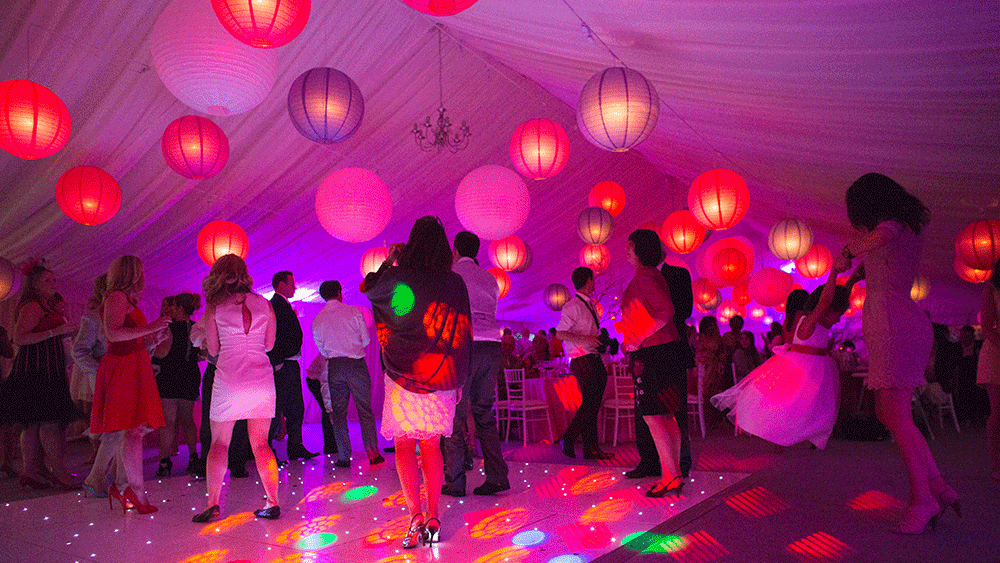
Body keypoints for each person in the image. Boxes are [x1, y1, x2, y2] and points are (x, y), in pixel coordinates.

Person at [833, 172, 953, 535]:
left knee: (893, 413)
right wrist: (855, 276)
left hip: (894, 323)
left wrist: (848, 252)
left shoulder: (890, 227)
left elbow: (881, 236)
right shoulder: (901, 229)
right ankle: (935, 486)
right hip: (898, 321)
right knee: (894, 413)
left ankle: (924, 499)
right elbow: (886, 262)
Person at [361, 216, 471, 548]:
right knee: (433, 447)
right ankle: (435, 519)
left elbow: (368, 287)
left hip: (403, 376)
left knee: (405, 446)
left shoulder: (396, 277)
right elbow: (462, 334)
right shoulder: (455, 283)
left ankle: (416, 519)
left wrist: (390, 262)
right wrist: (458, 377)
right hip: (441, 377)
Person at [712, 265, 848, 449]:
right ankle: (795, 436)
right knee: (793, 407)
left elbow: (828, 303)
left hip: (810, 367)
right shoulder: (807, 320)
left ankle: (806, 436)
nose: (838, 319)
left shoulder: (807, 321)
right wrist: (834, 272)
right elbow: (824, 302)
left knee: (807, 408)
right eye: (837, 314)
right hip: (804, 368)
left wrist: (854, 277)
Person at [193, 254, 281, 523]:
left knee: (219, 443)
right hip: (262, 380)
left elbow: (214, 349)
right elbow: (269, 345)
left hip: (229, 379)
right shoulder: (265, 304)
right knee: (261, 444)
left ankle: (212, 503)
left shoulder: (215, 307)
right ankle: (272, 501)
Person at [85, 256, 169, 512]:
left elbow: (129, 339)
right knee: (129, 429)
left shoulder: (124, 299)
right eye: (140, 270)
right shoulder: (115, 297)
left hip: (133, 364)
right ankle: (128, 488)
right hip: (122, 367)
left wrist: (153, 340)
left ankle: (126, 487)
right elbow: (113, 334)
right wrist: (151, 327)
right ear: (132, 272)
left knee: (134, 430)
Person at [615, 229, 686, 496]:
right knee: (665, 416)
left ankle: (670, 475)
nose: (626, 250)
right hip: (665, 351)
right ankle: (673, 473)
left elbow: (666, 311)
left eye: (629, 246)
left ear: (637, 248)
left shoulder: (644, 277)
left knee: (654, 416)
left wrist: (637, 338)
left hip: (654, 352)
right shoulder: (651, 275)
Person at [442, 230, 510, 497]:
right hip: (492, 345)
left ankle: (456, 482)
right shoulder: (490, 278)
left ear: (455, 250)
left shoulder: (452, 275)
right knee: (483, 413)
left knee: (456, 414)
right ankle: (497, 476)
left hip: (464, 344)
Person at [0, 262, 78, 490]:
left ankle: (30, 472)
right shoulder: (33, 306)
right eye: (47, 280)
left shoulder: (43, 305)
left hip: (44, 369)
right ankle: (58, 472)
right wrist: (56, 331)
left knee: (33, 424)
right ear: (34, 284)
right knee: (48, 423)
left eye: (53, 279)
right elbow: (19, 338)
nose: (52, 283)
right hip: (37, 371)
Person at [626, 251, 695, 480]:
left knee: (669, 412)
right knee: (650, 413)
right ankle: (654, 463)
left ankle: (677, 467)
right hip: (655, 348)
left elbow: (678, 311)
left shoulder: (672, 274)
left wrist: (642, 332)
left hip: (663, 350)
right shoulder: (643, 276)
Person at [312, 280, 382, 468]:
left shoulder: (318, 319)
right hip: (355, 365)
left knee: (339, 413)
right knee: (365, 411)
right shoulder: (353, 312)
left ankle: (343, 456)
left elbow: (323, 350)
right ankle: (373, 453)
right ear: (339, 292)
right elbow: (366, 341)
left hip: (334, 367)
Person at [556, 267, 614, 460]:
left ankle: (591, 448)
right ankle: (570, 437)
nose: (595, 283)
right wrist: (587, 340)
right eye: (593, 279)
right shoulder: (573, 306)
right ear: (588, 281)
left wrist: (596, 341)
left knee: (593, 403)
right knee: (591, 402)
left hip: (592, 356)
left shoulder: (589, 304)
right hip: (581, 357)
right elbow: (561, 333)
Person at [268, 270, 318, 462]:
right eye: (291, 283)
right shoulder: (275, 306)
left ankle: (295, 446)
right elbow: (273, 336)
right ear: (281, 284)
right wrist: (277, 362)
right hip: (283, 365)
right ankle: (270, 449)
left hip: (290, 363)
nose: (295, 287)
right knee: (278, 406)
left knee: (295, 407)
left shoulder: (283, 305)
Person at [152, 292, 203, 477]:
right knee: (187, 420)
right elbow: (200, 354)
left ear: (180, 308)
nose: (170, 309)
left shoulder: (168, 328)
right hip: (189, 376)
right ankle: (193, 457)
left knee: (167, 422)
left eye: (173, 306)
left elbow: (161, 353)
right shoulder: (195, 327)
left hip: (169, 376)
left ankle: (164, 462)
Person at [70, 274, 108, 465]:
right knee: (100, 417)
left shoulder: (125, 315)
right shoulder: (93, 317)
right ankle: (99, 473)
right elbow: (78, 351)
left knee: (118, 426)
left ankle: (103, 474)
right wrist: (102, 370)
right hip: (100, 376)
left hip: (119, 378)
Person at [978, 259, 1000, 482]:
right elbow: (986, 326)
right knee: (998, 412)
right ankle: (996, 465)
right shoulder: (992, 288)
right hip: (996, 349)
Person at [304, 353, 337, 456]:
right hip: (315, 381)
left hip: (321, 379)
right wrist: (329, 407)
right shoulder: (329, 356)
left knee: (331, 411)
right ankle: (330, 447)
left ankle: (333, 445)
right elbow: (325, 382)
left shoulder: (335, 352)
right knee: (328, 412)